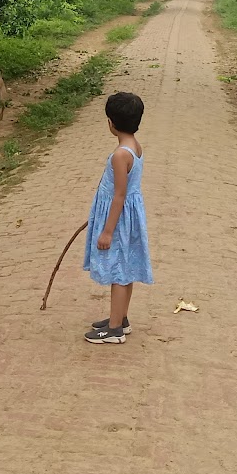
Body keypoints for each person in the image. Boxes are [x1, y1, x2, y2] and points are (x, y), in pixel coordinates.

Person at [82, 91, 153, 345]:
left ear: (111, 123)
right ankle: (120, 317)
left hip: (119, 219)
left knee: (118, 272)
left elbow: (119, 195)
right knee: (125, 268)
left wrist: (107, 231)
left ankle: (113, 330)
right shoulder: (135, 146)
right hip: (128, 216)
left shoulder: (120, 155)